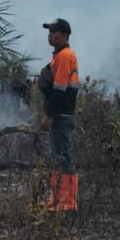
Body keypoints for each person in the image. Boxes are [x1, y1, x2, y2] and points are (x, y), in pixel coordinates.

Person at [38, 18, 79, 211]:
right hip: (61, 114)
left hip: (61, 115)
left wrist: (49, 115)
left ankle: (67, 202)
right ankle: (57, 199)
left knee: (63, 157)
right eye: (49, 31)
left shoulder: (64, 56)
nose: (49, 34)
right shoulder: (60, 56)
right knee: (57, 157)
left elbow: (59, 90)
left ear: (64, 35)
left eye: (54, 31)